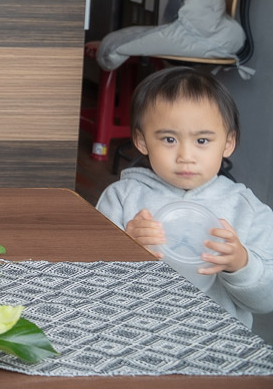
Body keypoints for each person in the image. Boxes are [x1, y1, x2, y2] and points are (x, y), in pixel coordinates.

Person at [96, 67, 273, 327]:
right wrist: (126, 248)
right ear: (142, 141)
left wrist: (241, 264)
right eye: (169, 139)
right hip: (134, 331)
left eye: (202, 141)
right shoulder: (122, 198)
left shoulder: (248, 211)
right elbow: (93, 279)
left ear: (228, 143)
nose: (185, 156)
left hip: (214, 341)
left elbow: (266, 301)